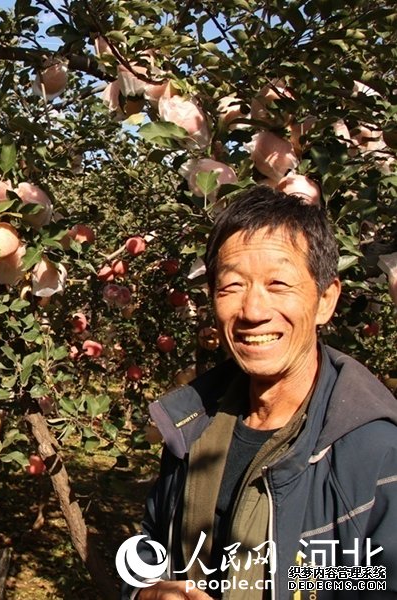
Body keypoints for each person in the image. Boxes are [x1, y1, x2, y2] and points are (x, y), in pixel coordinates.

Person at [120, 186, 397, 599]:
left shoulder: (374, 450)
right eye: (231, 287)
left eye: (279, 283)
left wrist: (288, 580)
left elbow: (376, 578)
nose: (252, 311)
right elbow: (151, 549)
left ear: (325, 299)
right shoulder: (194, 425)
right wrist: (145, 593)